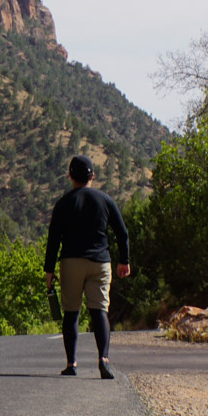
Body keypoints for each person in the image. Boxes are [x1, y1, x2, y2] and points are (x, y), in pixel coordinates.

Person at [43, 155, 131, 379]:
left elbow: (53, 239)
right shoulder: (106, 200)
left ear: (70, 176)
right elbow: (122, 233)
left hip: (71, 262)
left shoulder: (64, 203)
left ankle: (72, 364)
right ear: (93, 175)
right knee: (99, 310)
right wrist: (124, 260)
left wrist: (49, 269)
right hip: (100, 262)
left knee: (71, 313)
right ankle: (104, 359)